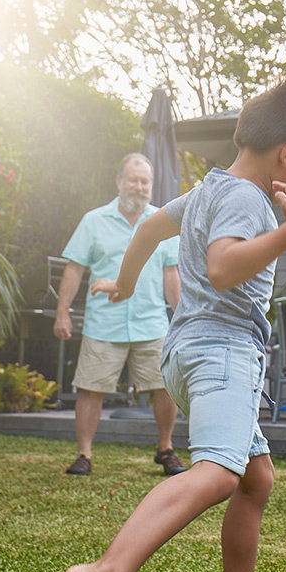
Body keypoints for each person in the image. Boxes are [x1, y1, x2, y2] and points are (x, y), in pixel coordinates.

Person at [63, 79, 286, 572]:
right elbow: (220, 268)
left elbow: (147, 231)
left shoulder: (210, 188)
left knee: (255, 478)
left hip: (185, 351)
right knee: (218, 473)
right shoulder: (248, 197)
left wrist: (127, 281)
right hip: (223, 353)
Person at [55, 153, 184, 477]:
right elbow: (74, 269)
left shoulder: (163, 222)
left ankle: (165, 448)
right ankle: (83, 455)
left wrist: (181, 316)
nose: (139, 187)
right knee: (90, 387)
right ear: (119, 181)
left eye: (145, 182)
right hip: (104, 322)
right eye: (133, 180)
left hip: (151, 319)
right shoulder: (94, 220)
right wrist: (63, 313)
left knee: (165, 385)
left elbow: (171, 274)